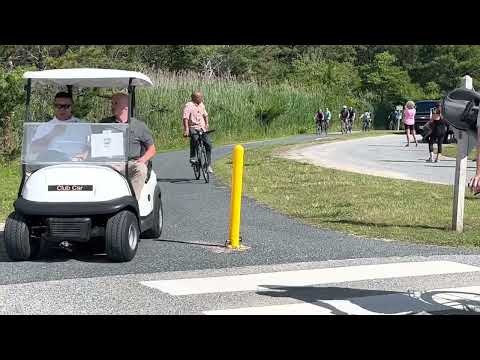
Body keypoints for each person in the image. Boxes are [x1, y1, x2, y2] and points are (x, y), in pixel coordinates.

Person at [101, 93, 156, 200]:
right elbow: (93, 145)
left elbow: (152, 149)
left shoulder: (139, 126)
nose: (112, 106)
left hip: (131, 163)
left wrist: (142, 159)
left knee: (140, 169)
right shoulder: (104, 123)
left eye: (115, 103)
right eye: (112, 103)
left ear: (126, 106)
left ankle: (132, 202)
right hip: (109, 162)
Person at [31, 92, 90, 162]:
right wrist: (52, 134)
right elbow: (34, 149)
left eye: (66, 106)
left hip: (77, 163)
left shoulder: (83, 125)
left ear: (72, 107)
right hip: (51, 163)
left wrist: (85, 154)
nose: (62, 109)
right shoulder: (45, 126)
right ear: (53, 107)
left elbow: (91, 146)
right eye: (58, 106)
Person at [183, 91, 213, 173]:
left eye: (201, 97)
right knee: (194, 138)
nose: (201, 98)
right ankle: (193, 157)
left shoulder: (202, 105)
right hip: (193, 127)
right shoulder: (189, 105)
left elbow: (205, 115)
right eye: (199, 97)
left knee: (209, 144)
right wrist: (186, 129)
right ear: (194, 98)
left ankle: (208, 165)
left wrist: (207, 124)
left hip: (202, 127)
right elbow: (185, 118)